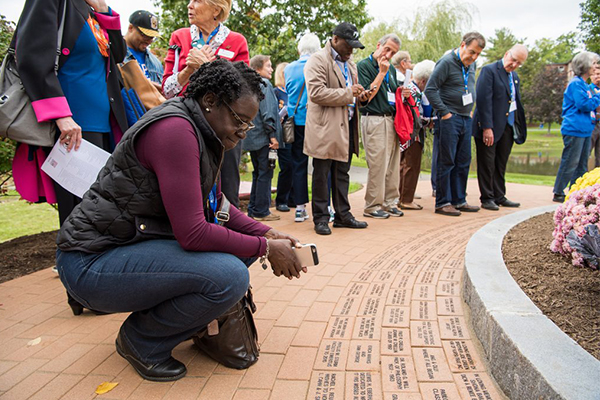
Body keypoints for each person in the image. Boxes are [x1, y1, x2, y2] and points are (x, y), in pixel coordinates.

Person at [55, 60, 306, 382]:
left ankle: (181, 322)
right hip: (89, 263)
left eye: (248, 125)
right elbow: (193, 233)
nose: (242, 132)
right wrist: (265, 247)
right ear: (211, 101)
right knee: (228, 276)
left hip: (128, 246)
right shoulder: (175, 131)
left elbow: (220, 207)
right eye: (240, 120)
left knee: (238, 254)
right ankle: (141, 340)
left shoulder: (200, 129)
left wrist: (268, 232)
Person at [13, 0, 128, 226]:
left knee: (104, 212)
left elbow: (118, 54)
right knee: (80, 216)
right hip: (72, 126)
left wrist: (103, 9)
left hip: (106, 124)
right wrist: (60, 114)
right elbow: (30, 55)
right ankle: (72, 262)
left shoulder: (91, 8)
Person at [162, 0, 249, 209]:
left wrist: (207, 67)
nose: (189, 6)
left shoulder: (236, 41)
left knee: (227, 184)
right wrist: (187, 71)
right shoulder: (179, 37)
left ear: (216, 9)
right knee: (187, 184)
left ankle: (229, 232)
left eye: (197, 1)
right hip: (186, 122)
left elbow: (241, 91)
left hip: (223, 125)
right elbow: (166, 89)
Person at [304, 22, 369, 235]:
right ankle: (321, 218)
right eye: (348, 45)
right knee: (322, 173)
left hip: (347, 125)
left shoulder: (351, 64)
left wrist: (361, 96)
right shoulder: (318, 60)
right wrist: (349, 93)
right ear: (335, 39)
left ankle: (343, 215)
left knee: (342, 173)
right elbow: (316, 93)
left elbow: (350, 92)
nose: (351, 50)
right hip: (325, 127)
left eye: (354, 46)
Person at [424, 32, 486, 216]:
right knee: (447, 160)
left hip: (466, 117)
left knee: (463, 160)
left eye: (477, 54)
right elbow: (430, 89)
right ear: (462, 45)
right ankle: (443, 202)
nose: (473, 57)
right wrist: (445, 113)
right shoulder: (446, 62)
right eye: (472, 52)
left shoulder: (472, 64)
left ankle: (459, 200)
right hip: (449, 118)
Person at [473, 44, 528, 210]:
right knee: (487, 163)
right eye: (513, 60)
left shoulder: (514, 76)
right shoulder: (489, 71)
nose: (514, 65)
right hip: (489, 126)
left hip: (507, 126)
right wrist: (486, 127)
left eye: (519, 63)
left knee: (500, 163)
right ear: (506, 53)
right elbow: (483, 101)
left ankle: (499, 195)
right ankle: (487, 197)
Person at [357, 33, 404, 219]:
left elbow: (392, 93)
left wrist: (403, 94)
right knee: (378, 164)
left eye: (393, 52)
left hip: (391, 119)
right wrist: (381, 73)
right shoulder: (364, 66)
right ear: (378, 45)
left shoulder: (392, 70)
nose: (389, 54)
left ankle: (390, 201)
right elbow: (367, 96)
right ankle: (372, 205)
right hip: (374, 118)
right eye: (387, 49)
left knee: (393, 162)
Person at [553, 51, 600, 202]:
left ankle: (575, 190)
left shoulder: (584, 85)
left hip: (586, 129)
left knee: (582, 164)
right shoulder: (576, 84)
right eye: (593, 63)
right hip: (574, 129)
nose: (595, 67)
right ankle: (559, 191)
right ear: (585, 65)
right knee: (570, 161)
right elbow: (584, 105)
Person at [285, 33, 321, 222]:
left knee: (298, 164)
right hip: (315, 121)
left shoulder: (289, 69)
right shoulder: (318, 66)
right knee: (320, 165)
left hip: (296, 122)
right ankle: (324, 207)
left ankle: (299, 208)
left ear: (300, 49)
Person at [243, 55, 281, 221]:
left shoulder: (248, 85)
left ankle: (253, 209)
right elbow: (268, 113)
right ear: (258, 69)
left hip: (252, 136)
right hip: (264, 137)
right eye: (269, 66)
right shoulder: (265, 84)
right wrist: (273, 136)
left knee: (257, 173)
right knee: (266, 173)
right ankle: (262, 211)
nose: (271, 69)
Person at [398, 60, 436, 210]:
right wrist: (433, 121)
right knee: (411, 166)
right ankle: (406, 200)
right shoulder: (414, 93)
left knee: (405, 166)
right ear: (424, 81)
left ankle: (402, 197)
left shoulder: (412, 90)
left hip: (409, 134)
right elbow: (415, 117)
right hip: (413, 135)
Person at [123, 10, 164, 91]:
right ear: (130, 28)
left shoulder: (156, 63)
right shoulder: (115, 54)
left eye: (152, 37)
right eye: (145, 35)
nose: (149, 41)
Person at [273, 62, 294, 212]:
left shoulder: (293, 91)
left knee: (296, 165)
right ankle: (281, 200)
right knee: (286, 166)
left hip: (295, 131)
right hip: (282, 133)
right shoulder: (276, 92)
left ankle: (294, 198)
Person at [589, 70, 600, 168]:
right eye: (595, 74)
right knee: (586, 153)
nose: (597, 76)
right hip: (592, 124)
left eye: (599, 74)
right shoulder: (588, 90)